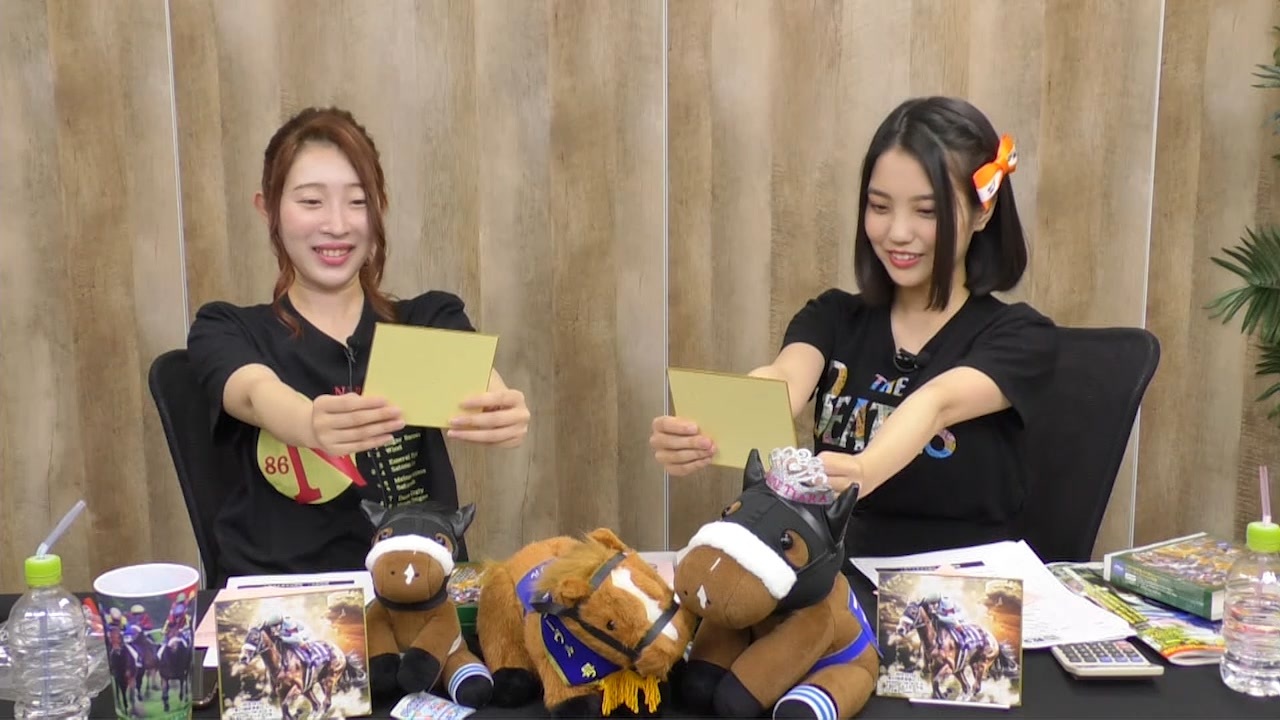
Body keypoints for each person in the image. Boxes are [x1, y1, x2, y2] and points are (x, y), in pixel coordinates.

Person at [650, 97, 1057, 557]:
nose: (897, 232)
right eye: (879, 206)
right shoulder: (833, 316)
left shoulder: (1022, 337)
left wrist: (865, 469)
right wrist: (703, 430)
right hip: (837, 571)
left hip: (961, 575)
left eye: (927, 211)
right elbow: (781, 382)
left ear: (983, 211)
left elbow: (936, 404)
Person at [188, 107, 530, 584]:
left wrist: (499, 408)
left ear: (379, 207)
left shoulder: (425, 319)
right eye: (311, 201)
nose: (337, 224)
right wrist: (308, 423)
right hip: (283, 595)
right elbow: (254, 393)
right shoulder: (227, 328)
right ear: (268, 209)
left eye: (357, 201)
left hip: (416, 592)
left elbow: (477, 380)